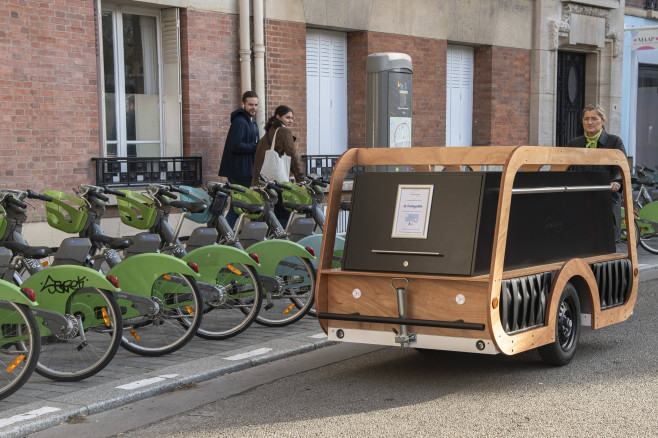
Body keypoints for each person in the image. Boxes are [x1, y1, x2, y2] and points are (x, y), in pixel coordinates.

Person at [567, 103, 627, 244]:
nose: (590, 122)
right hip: (581, 197)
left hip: (606, 195)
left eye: (594, 118)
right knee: (581, 239)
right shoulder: (574, 143)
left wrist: (616, 181)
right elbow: (567, 167)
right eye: (586, 119)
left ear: (603, 121)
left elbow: (621, 167)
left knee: (605, 240)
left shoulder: (614, 141)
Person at [252, 105, 304, 226]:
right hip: (278, 183)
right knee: (283, 214)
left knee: (269, 215)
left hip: (263, 181)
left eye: (292, 118)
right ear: (278, 117)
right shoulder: (284, 131)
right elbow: (293, 156)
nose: (291, 120)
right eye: (287, 117)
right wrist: (301, 180)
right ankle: (282, 241)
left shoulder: (269, 132)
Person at [218, 91, 260, 227]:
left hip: (245, 170)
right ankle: (226, 235)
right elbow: (235, 145)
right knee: (237, 207)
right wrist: (255, 147)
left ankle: (228, 234)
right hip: (240, 171)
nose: (254, 107)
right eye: (250, 104)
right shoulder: (240, 121)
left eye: (256, 105)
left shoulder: (248, 121)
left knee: (242, 206)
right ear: (243, 104)